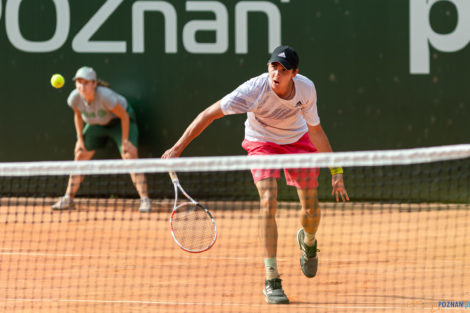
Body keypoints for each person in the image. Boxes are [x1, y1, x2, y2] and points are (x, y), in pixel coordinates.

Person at [162, 45, 349, 304]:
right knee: (268, 200)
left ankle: (308, 240)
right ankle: (271, 277)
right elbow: (208, 115)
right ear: (268, 67)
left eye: (284, 70)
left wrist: (336, 170)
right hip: (262, 142)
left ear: (295, 73)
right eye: (274, 67)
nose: (277, 74)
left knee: (311, 212)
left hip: (298, 140)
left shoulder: (306, 90)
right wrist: (176, 148)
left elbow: (316, 131)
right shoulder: (252, 90)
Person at [51, 66, 152, 213]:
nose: (82, 86)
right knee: (80, 154)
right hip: (96, 125)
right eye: (79, 82)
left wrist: (125, 141)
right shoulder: (74, 98)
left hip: (119, 122)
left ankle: (145, 200)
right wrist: (79, 139)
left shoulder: (105, 96)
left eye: (86, 83)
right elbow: (78, 116)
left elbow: (124, 116)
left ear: (94, 84)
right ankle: (68, 198)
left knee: (130, 156)